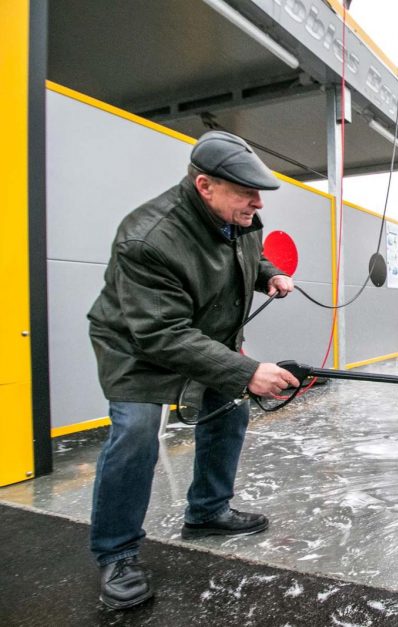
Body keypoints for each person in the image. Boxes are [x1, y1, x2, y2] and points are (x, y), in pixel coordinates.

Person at [87, 131, 301, 609]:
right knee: (136, 433)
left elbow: (246, 253)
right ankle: (117, 554)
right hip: (136, 346)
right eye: (246, 192)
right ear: (205, 186)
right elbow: (161, 333)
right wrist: (246, 371)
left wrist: (269, 274)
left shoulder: (239, 217)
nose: (257, 202)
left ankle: (207, 511)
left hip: (208, 334)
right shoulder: (147, 238)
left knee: (230, 412)